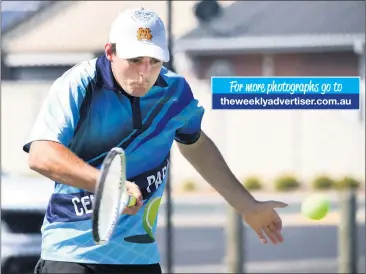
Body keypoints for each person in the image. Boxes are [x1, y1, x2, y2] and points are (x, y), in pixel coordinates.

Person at [24, 7, 288, 274]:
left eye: (155, 61)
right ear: (110, 52)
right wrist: (109, 186)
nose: (145, 72)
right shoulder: (80, 84)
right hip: (72, 255)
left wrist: (248, 206)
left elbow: (196, 144)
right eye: (135, 59)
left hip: (140, 260)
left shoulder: (174, 91)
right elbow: (41, 155)